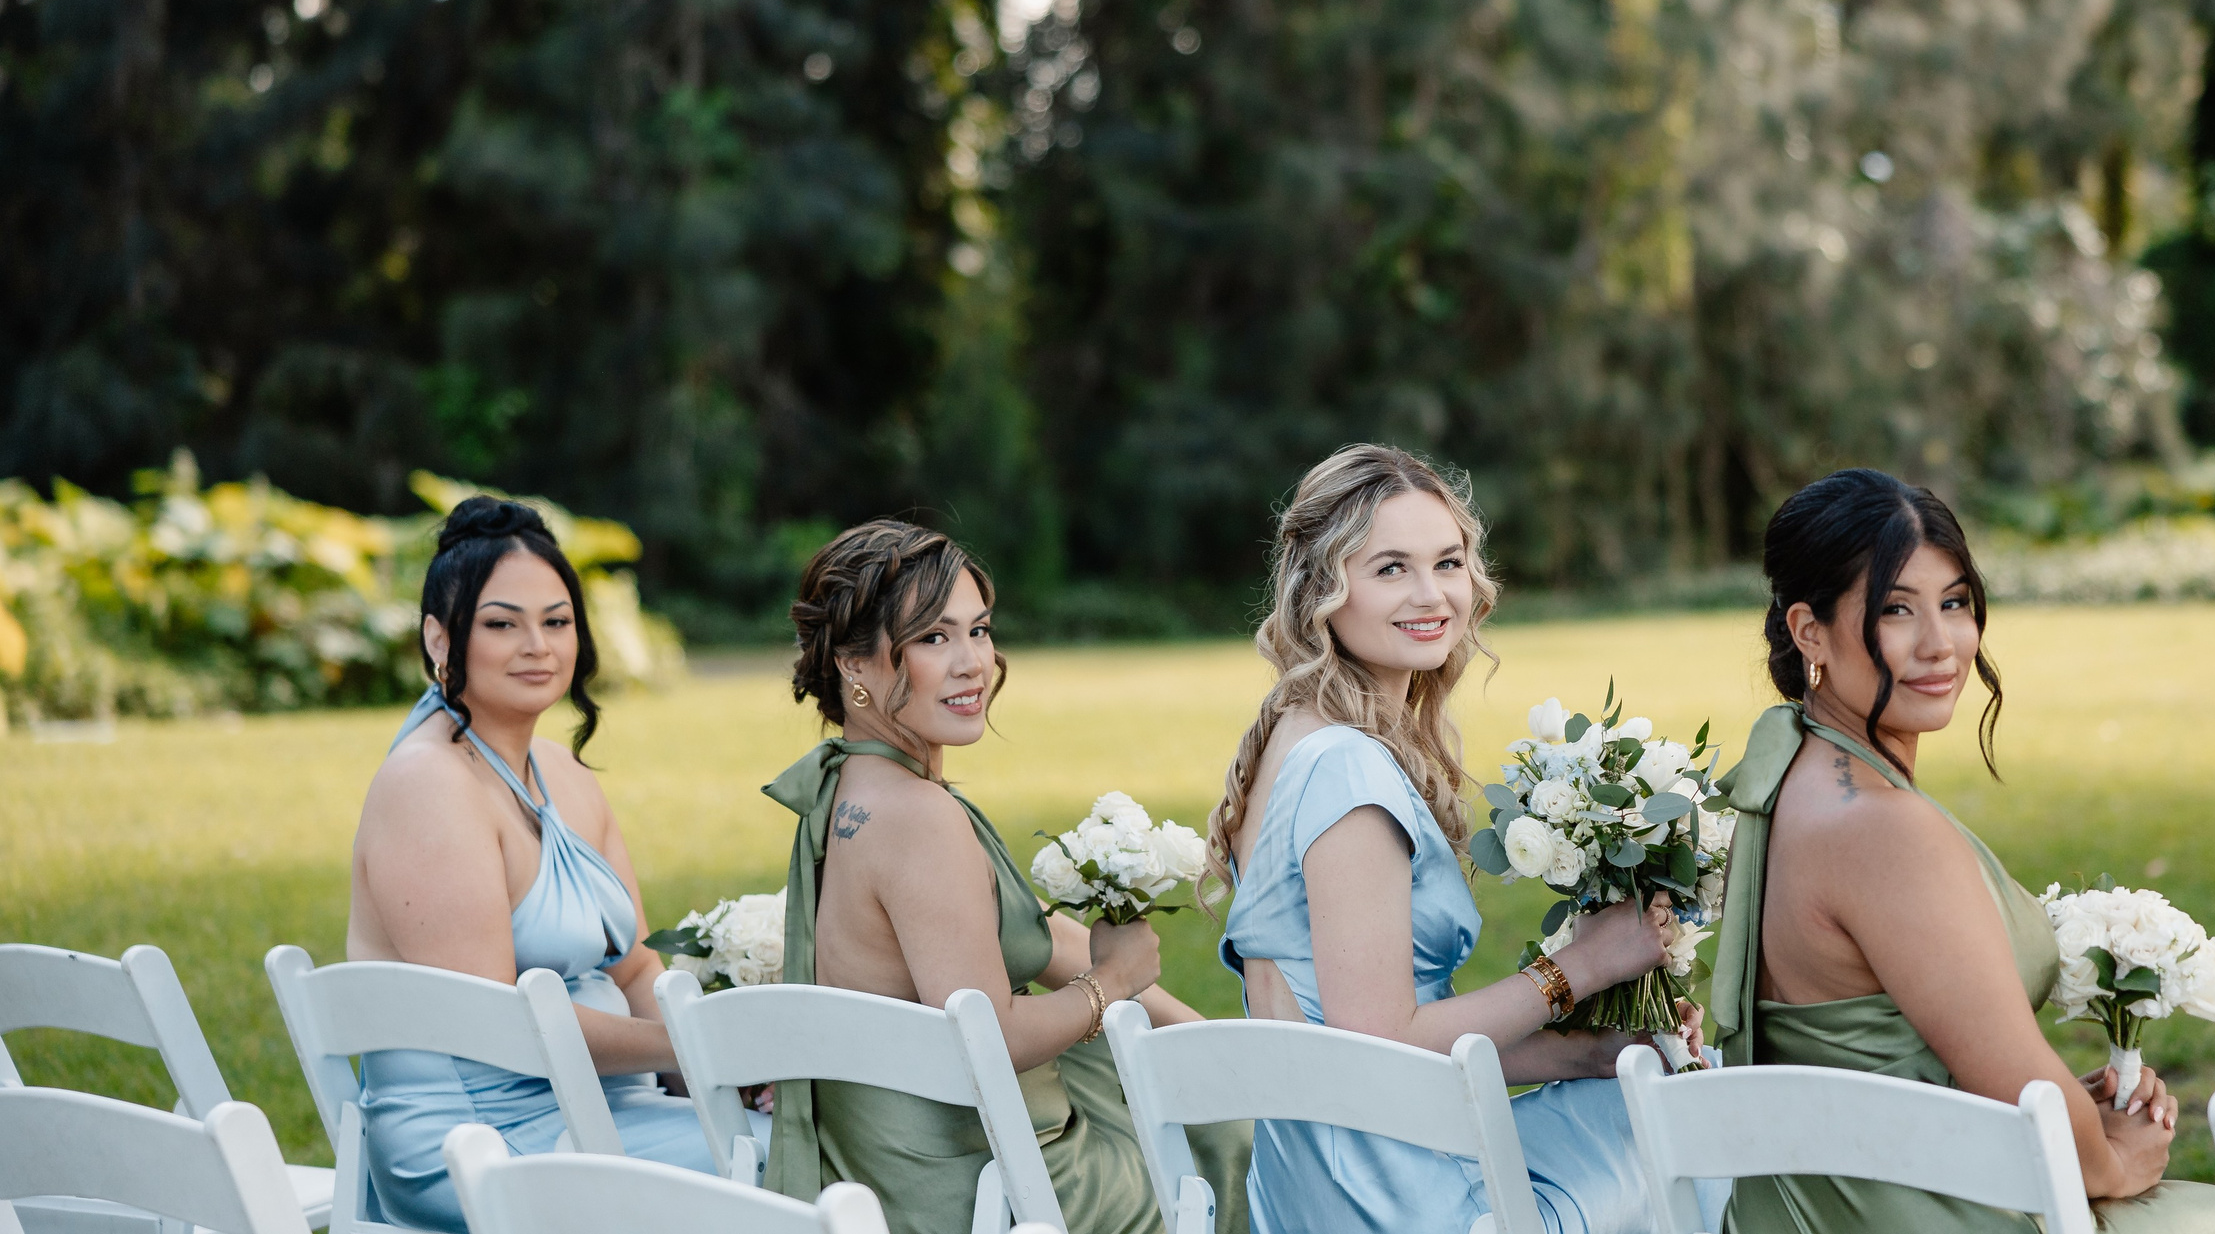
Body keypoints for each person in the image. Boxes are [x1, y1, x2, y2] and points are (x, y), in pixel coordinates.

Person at [1712, 468, 2215, 1234]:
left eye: (1955, 602)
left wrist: (2081, 1112)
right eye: (1896, 609)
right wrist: (2113, 1159)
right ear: (1808, 629)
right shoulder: (1881, 829)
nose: (1941, 643)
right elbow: (2028, 1098)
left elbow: (1895, 1058)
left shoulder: (1788, 772)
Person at [1211, 444, 1706, 1234]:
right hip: (1396, 1200)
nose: (1432, 593)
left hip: (1317, 1186)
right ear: (1323, 589)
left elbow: (1370, 1036)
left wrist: (1585, 1049)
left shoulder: (1293, 733)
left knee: (1637, 1080)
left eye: (1447, 562)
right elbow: (1384, 1048)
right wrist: (1579, 966)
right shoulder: (1345, 770)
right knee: (1693, 1124)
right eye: (1390, 568)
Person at [761, 520, 1252, 1234]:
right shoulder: (918, 816)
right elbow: (992, 1036)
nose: (972, 662)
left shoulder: (847, 790)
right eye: (933, 637)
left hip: (895, 1157)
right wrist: (1111, 983)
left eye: (979, 630)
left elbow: (1032, 935)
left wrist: (1201, 1035)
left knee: (1211, 1098)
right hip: (978, 1184)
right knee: (1235, 1152)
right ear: (854, 665)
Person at [347, 497, 727, 1231]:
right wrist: (702, 1049)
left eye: (556, 621)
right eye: (501, 622)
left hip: (607, 1106)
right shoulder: (429, 784)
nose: (538, 644)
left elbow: (638, 969)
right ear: (438, 636)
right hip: (478, 1142)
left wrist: (709, 1076)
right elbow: (504, 1028)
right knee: (791, 1165)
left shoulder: (562, 772)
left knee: (804, 1141)